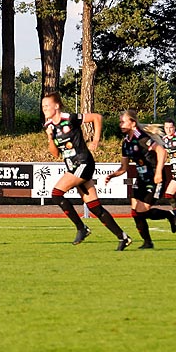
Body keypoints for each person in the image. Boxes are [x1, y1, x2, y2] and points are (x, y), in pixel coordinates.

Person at [40, 92, 129, 249]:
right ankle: (123, 237)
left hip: (83, 162)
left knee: (56, 194)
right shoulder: (49, 126)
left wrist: (96, 139)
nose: (44, 108)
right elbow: (55, 154)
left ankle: (82, 228)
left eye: (47, 105)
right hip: (72, 166)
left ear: (57, 105)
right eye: (43, 106)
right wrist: (49, 138)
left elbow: (97, 117)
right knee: (95, 207)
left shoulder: (70, 118)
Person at [110, 110, 168, 246]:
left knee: (142, 210)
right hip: (141, 178)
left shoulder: (141, 138)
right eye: (120, 122)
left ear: (133, 123)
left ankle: (171, 215)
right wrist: (113, 175)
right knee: (135, 211)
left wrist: (159, 172)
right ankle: (147, 242)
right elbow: (124, 168)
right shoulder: (125, 142)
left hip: (153, 177)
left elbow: (162, 151)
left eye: (123, 121)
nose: (120, 124)